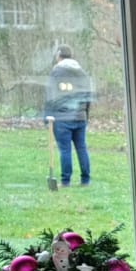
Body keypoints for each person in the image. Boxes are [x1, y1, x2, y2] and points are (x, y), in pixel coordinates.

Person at [45, 46, 93, 187]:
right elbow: (87, 96)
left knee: (65, 149)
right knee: (81, 148)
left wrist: (47, 117)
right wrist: (86, 115)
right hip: (80, 116)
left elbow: (50, 96)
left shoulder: (56, 72)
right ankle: (85, 180)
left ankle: (66, 181)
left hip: (62, 118)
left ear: (59, 56)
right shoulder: (82, 73)